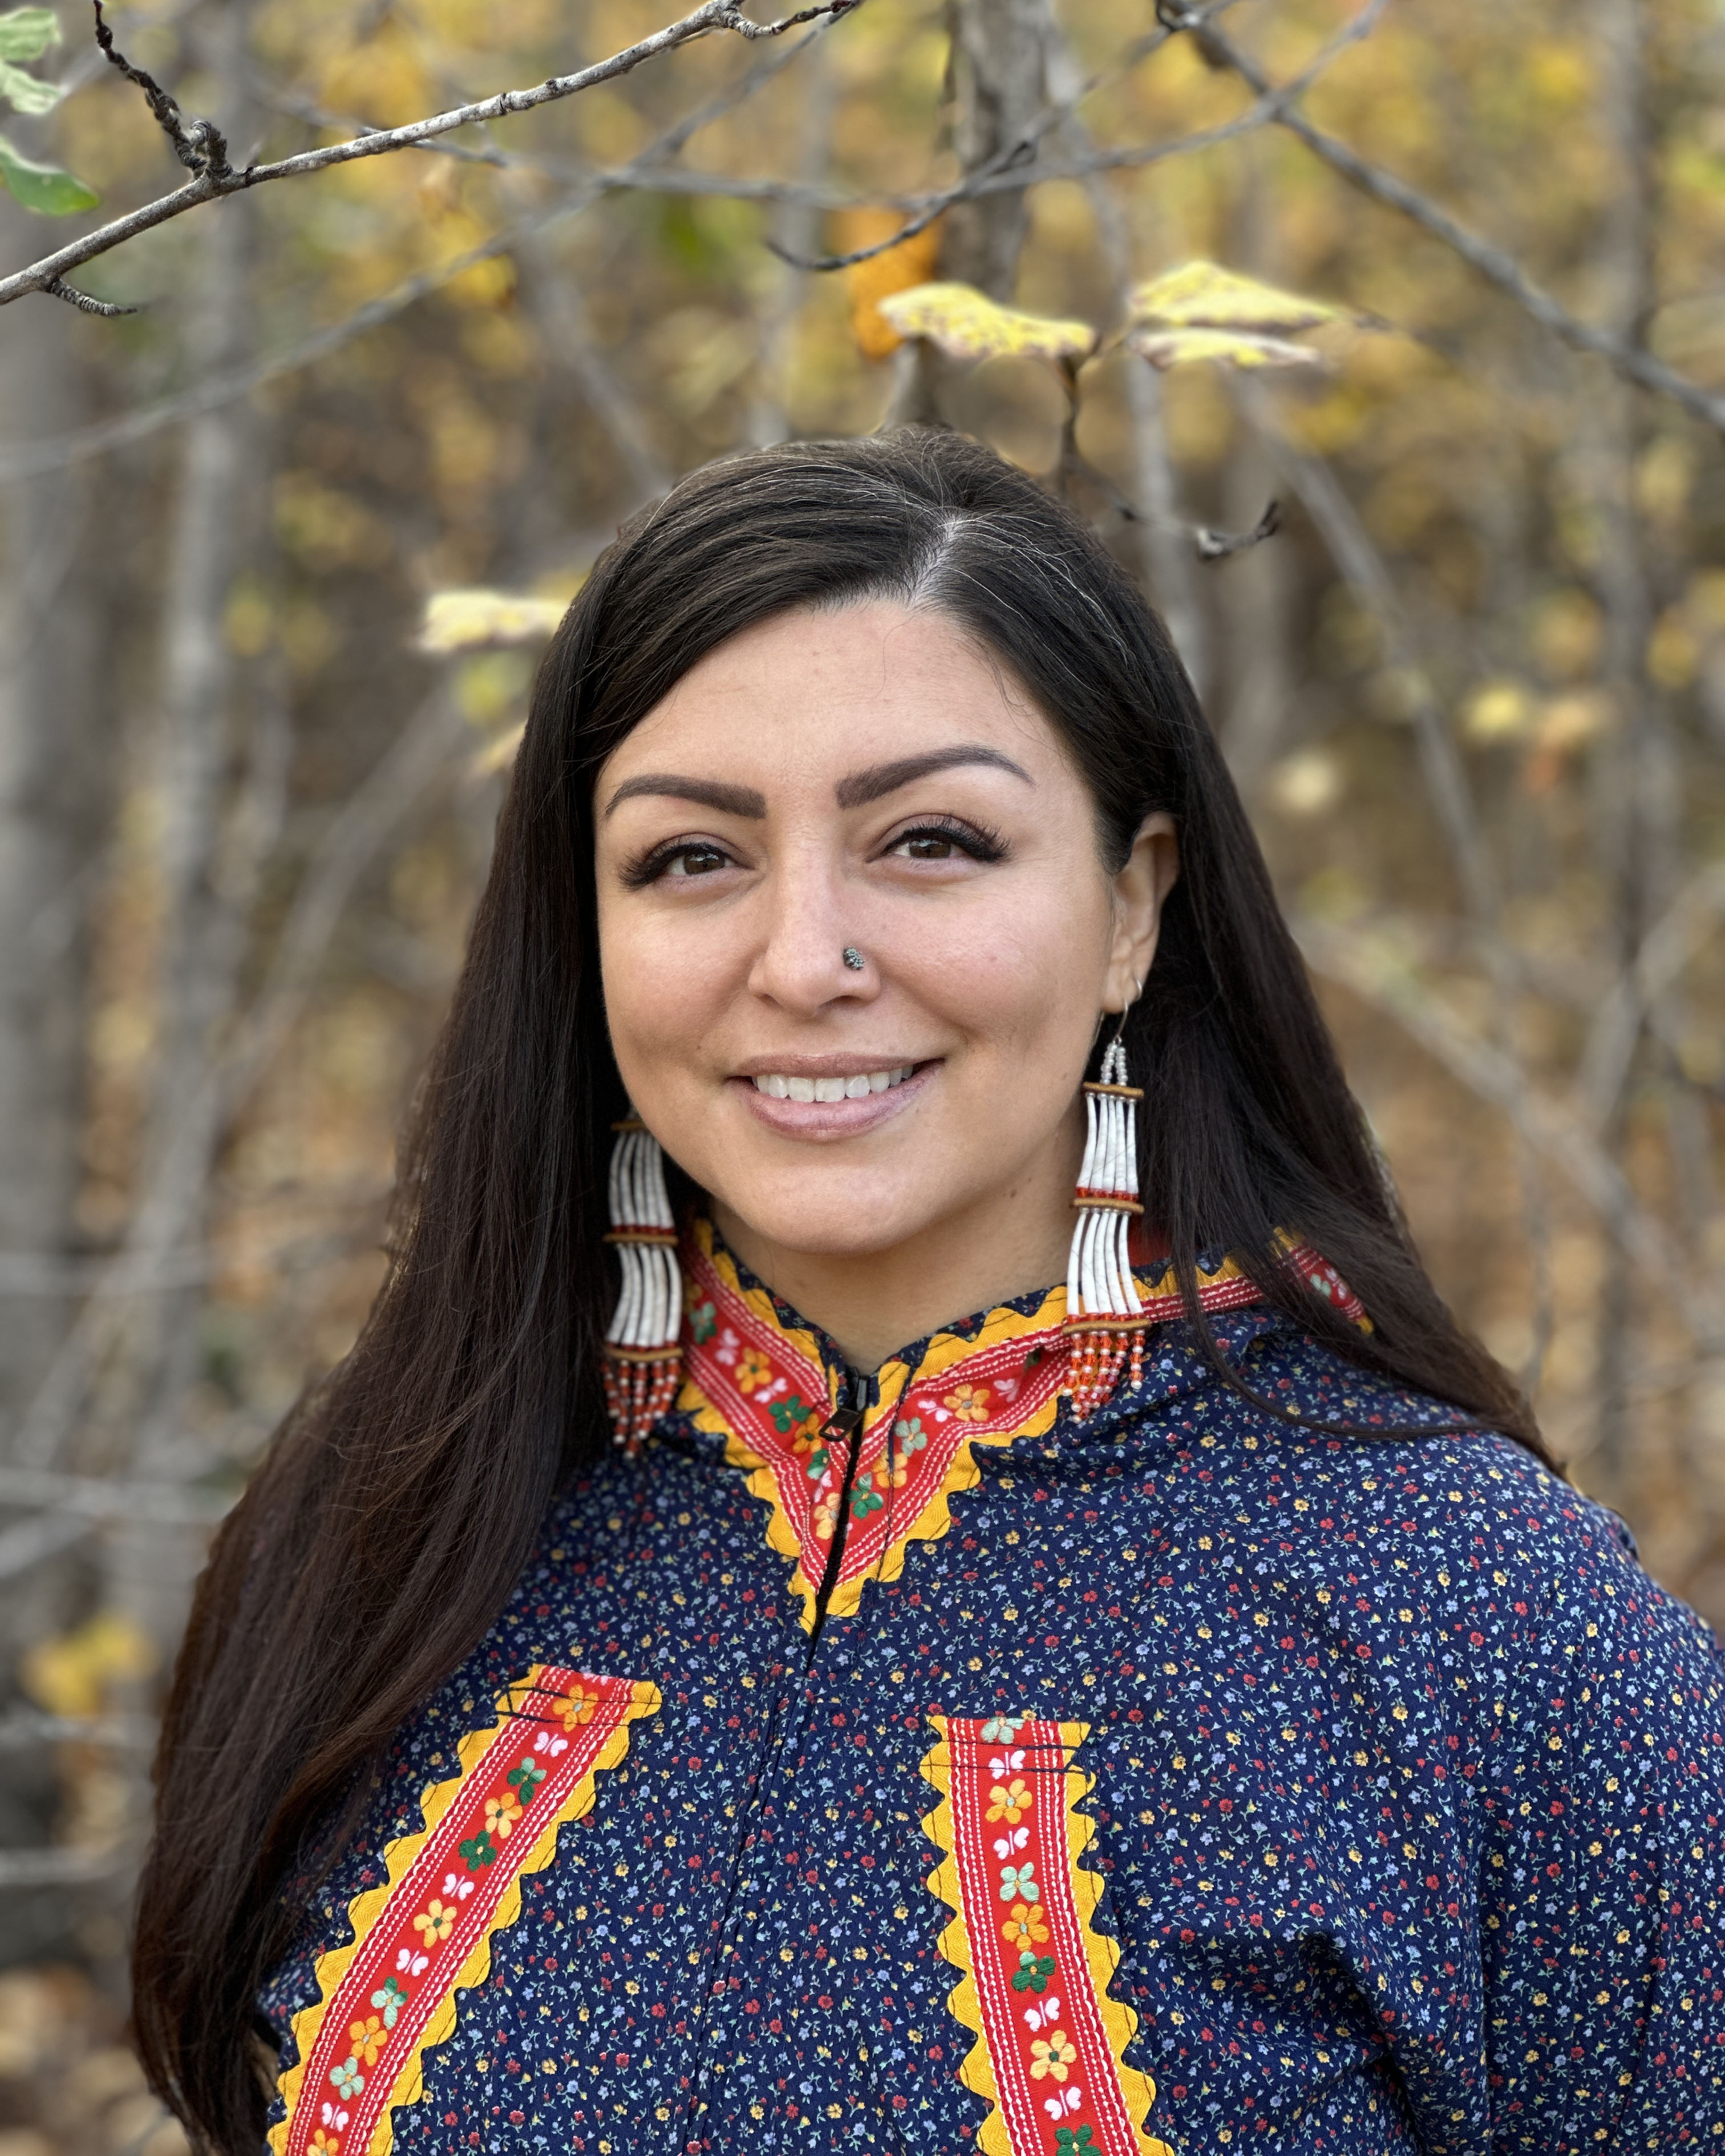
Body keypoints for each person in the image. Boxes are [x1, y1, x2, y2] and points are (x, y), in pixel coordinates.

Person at [133, 431, 1725, 2156]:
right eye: (692, 858)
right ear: (581, 929)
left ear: (1132, 903)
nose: (806, 958)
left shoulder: (1479, 1615)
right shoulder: (387, 1529)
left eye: (933, 841)